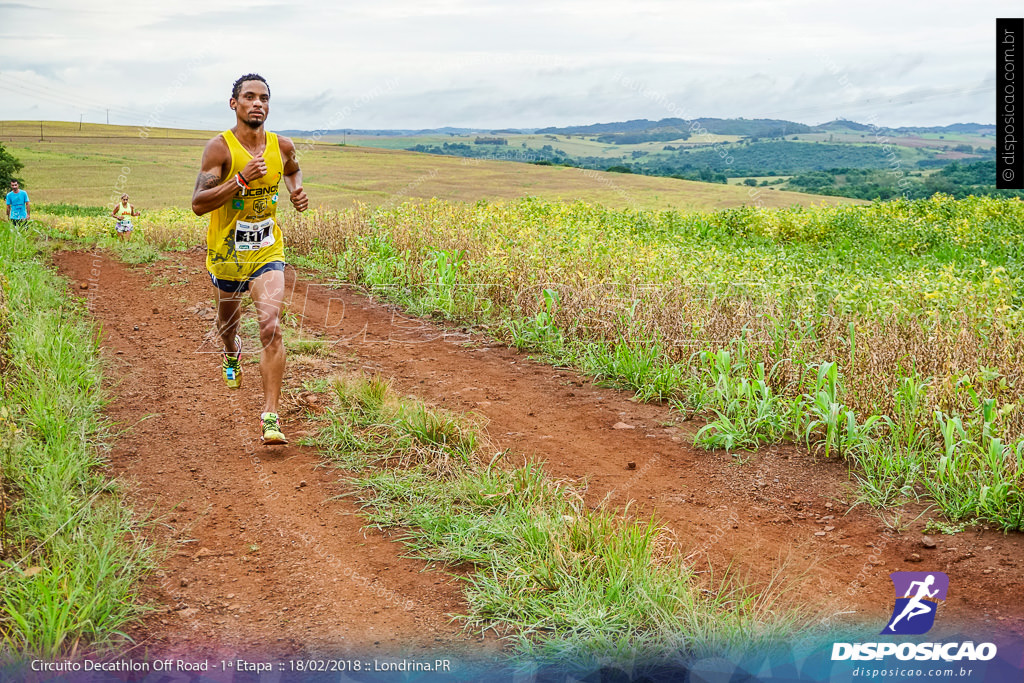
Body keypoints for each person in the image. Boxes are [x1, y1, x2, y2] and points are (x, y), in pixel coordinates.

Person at [191, 73, 308, 445]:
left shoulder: (282, 145)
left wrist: (296, 190)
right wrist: (239, 180)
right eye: (249, 97)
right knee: (228, 325)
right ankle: (231, 352)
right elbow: (198, 204)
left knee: (271, 325)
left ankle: (270, 416)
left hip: (267, 250)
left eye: (264, 98)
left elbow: (292, 169)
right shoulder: (219, 149)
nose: (258, 103)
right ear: (234, 104)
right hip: (226, 254)